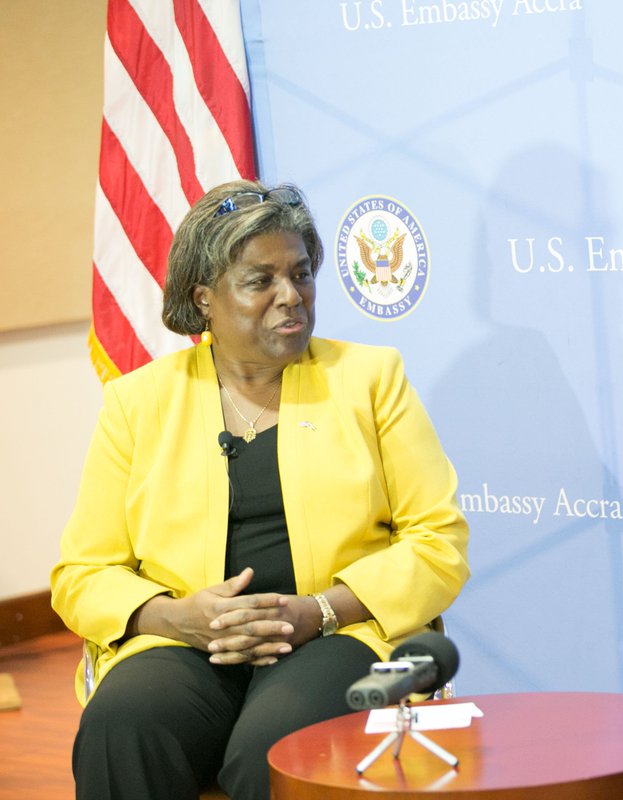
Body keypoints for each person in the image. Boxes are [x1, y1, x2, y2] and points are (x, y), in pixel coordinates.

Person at [50, 180, 470, 800]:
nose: (291, 296)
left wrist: (319, 610)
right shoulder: (137, 403)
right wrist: (176, 618)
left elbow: (438, 543)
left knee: (276, 747)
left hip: (335, 634)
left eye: (301, 274)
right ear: (204, 299)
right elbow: (83, 574)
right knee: (124, 724)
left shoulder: (370, 380)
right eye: (260, 281)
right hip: (186, 640)